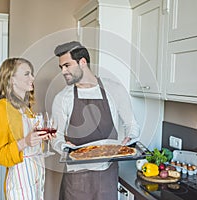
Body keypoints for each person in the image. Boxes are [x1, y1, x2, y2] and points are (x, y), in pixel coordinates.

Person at [51, 41, 140, 200]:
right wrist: (64, 146)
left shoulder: (114, 89)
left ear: (83, 62)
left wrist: (130, 138)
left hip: (107, 173)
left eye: (67, 65)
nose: (63, 71)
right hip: (76, 176)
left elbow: (131, 124)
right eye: (61, 67)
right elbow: (55, 136)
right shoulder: (63, 97)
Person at [0, 58, 53, 200]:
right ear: (11, 79)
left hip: (36, 175)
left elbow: (33, 142)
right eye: (27, 74)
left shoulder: (26, 109)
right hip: (20, 179)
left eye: (32, 74)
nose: (32, 78)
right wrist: (25, 142)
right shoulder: (1, 110)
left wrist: (42, 139)